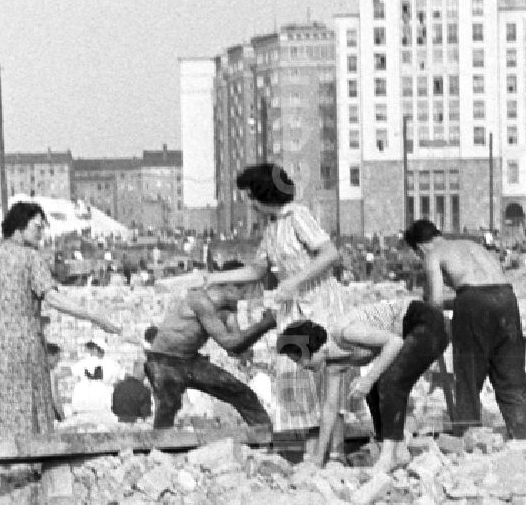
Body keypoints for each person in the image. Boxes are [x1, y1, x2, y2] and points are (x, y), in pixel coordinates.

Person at [0, 200, 120, 438]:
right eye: (37, 227)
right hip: (24, 342)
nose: (41, 233)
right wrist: (92, 315)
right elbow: (52, 298)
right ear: (19, 228)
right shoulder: (31, 258)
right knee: (25, 400)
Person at [222, 162, 345, 434]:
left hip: (318, 303)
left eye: (251, 196)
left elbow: (329, 254)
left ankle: (331, 446)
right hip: (293, 307)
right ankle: (306, 439)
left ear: (263, 195)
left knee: (323, 370)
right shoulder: (272, 228)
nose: (250, 204)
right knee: (293, 370)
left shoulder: (298, 216)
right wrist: (213, 278)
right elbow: (257, 269)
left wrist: (295, 281)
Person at [277, 294, 448, 471]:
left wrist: (368, 378)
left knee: (389, 384)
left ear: (317, 349)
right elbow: (329, 409)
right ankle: (398, 450)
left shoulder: (345, 333)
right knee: (374, 390)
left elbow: (394, 342)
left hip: (425, 321)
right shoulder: (333, 366)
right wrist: (318, 459)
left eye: (300, 360)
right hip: (410, 333)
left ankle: (389, 456)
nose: (302, 366)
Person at [403, 220, 526, 441]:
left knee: (468, 376)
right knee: (512, 377)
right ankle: (523, 438)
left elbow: (435, 301)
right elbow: (479, 290)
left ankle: (468, 436)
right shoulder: (474, 246)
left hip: (472, 302)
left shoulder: (433, 254)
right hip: (506, 298)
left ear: (420, 247)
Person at [144, 271, 276, 431]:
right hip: (163, 361)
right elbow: (230, 343)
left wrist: (259, 330)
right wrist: (265, 324)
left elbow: (236, 346)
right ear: (231, 288)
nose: (245, 298)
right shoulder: (199, 300)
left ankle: (266, 435)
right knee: (168, 405)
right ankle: (160, 448)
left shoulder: (228, 308)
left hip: (191, 361)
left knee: (239, 391)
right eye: (244, 291)